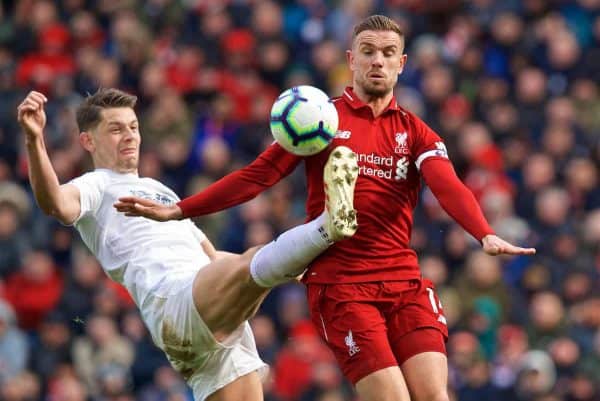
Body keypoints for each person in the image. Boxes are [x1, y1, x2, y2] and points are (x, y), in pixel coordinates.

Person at [117, 15, 536, 401]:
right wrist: (181, 210)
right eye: (368, 52)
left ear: (402, 63)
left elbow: (448, 185)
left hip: (403, 281)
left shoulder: (416, 131)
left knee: (435, 396)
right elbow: (257, 176)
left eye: (388, 53)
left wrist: (482, 231)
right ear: (351, 60)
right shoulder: (321, 119)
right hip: (342, 288)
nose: (378, 61)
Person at [17, 88, 360, 401]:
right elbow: (55, 204)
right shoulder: (95, 185)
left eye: (133, 127)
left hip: (204, 323)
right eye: (116, 129)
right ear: (88, 141)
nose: (129, 136)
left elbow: (210, 256)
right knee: (254, 262)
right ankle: (327, 226)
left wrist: (291, 270)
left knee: (249, 264)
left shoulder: (161, 191)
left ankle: (311, 241)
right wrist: (35, 141)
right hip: (173, 300)